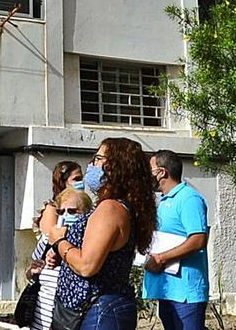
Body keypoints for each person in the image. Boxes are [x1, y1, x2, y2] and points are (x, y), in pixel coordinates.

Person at [44, 138, 157, 330]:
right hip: (100, 308)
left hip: (99, 311)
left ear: (114, 167)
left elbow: (87, 266)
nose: (91, 166)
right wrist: (64, 255)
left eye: (97, 159)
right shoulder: (119, 207)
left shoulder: (110, 209)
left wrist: (60, 242)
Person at [143, 150, 210, 330]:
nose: (146, 175)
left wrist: (161, 258)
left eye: (150, 169)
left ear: (162, 172)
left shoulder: (189, 198)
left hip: (186, 292)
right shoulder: (163, 201)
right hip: (168, 288)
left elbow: (198, 239)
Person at [25, 188, 94, 330]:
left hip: (69, 321)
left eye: (72, 211)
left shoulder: (89, 243)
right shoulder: (48, 239)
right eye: (61, 212)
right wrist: (33, 271)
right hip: (39, 321)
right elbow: (30, 274)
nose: (66, 216)